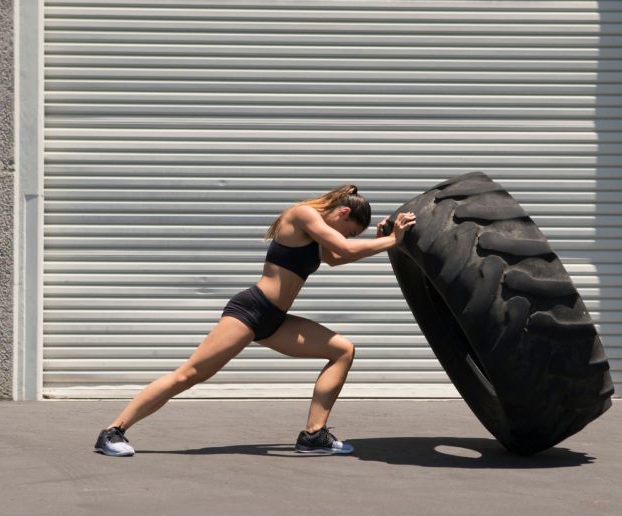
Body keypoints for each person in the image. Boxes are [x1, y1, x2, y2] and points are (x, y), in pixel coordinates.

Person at [94, 184, 416, 457]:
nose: (344, 235)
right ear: (342, 213)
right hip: (251, 311)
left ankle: (313, 435)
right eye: (349, 230)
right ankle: (113, 431)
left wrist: (381, 239)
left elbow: (336, 257)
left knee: (343, 350)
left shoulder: (320, 237)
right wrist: (393, 240)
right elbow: (344, 249)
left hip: (275, 320)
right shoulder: (303, 214)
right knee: (188, 375)